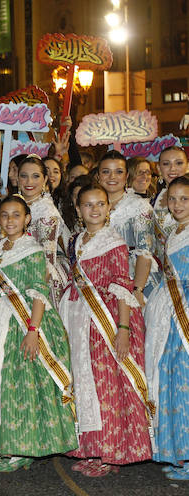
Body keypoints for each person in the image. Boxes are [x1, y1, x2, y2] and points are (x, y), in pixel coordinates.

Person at [59, 184, 153, 477]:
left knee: (107, 387)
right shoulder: (76, 242)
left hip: (107, 321)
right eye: (87, 205)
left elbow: (122, 287)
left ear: (108, 208)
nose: (95, 209)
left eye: (100, 203)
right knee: (86, 385)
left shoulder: (114, 242)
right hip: (79, 321)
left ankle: (110, 453)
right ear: (78, 210)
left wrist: (123, 329)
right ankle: (92, 448)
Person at [0, 195, 78, 472]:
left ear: (27, 219)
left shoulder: (33, 250)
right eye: (4, 215)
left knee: (23, 384)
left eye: (16, 215)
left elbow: (39, 293)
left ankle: (24, 447)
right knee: (2, 383)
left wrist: (33, 331)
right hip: (1, 319)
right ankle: (6, 444)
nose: (10, 220)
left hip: (26, 322)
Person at [145, 176, 189, 480]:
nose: (177, 204)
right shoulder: (174, 231)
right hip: (169, 315)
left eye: (184, 198)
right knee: (170, 378)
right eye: (172, 198)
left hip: (185, 313)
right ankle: (178, 452)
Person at [97, 151, 158, 305]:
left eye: (118, 172)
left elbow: (145, 252)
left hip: (133, 279)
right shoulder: (92, 204)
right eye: (106, 172)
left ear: (126, 177)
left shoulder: (139, 206)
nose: (112, 177)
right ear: (98, 176)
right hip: (100, 279)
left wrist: (137, 289)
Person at [17, 155, 69, 304]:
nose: (29, 182)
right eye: (24, 176)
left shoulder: (46, 211)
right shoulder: (14, 204)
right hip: (13, 271)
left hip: (37, 277)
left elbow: (47, 259)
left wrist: (37, 291)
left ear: (45, 179)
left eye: (35, 176)